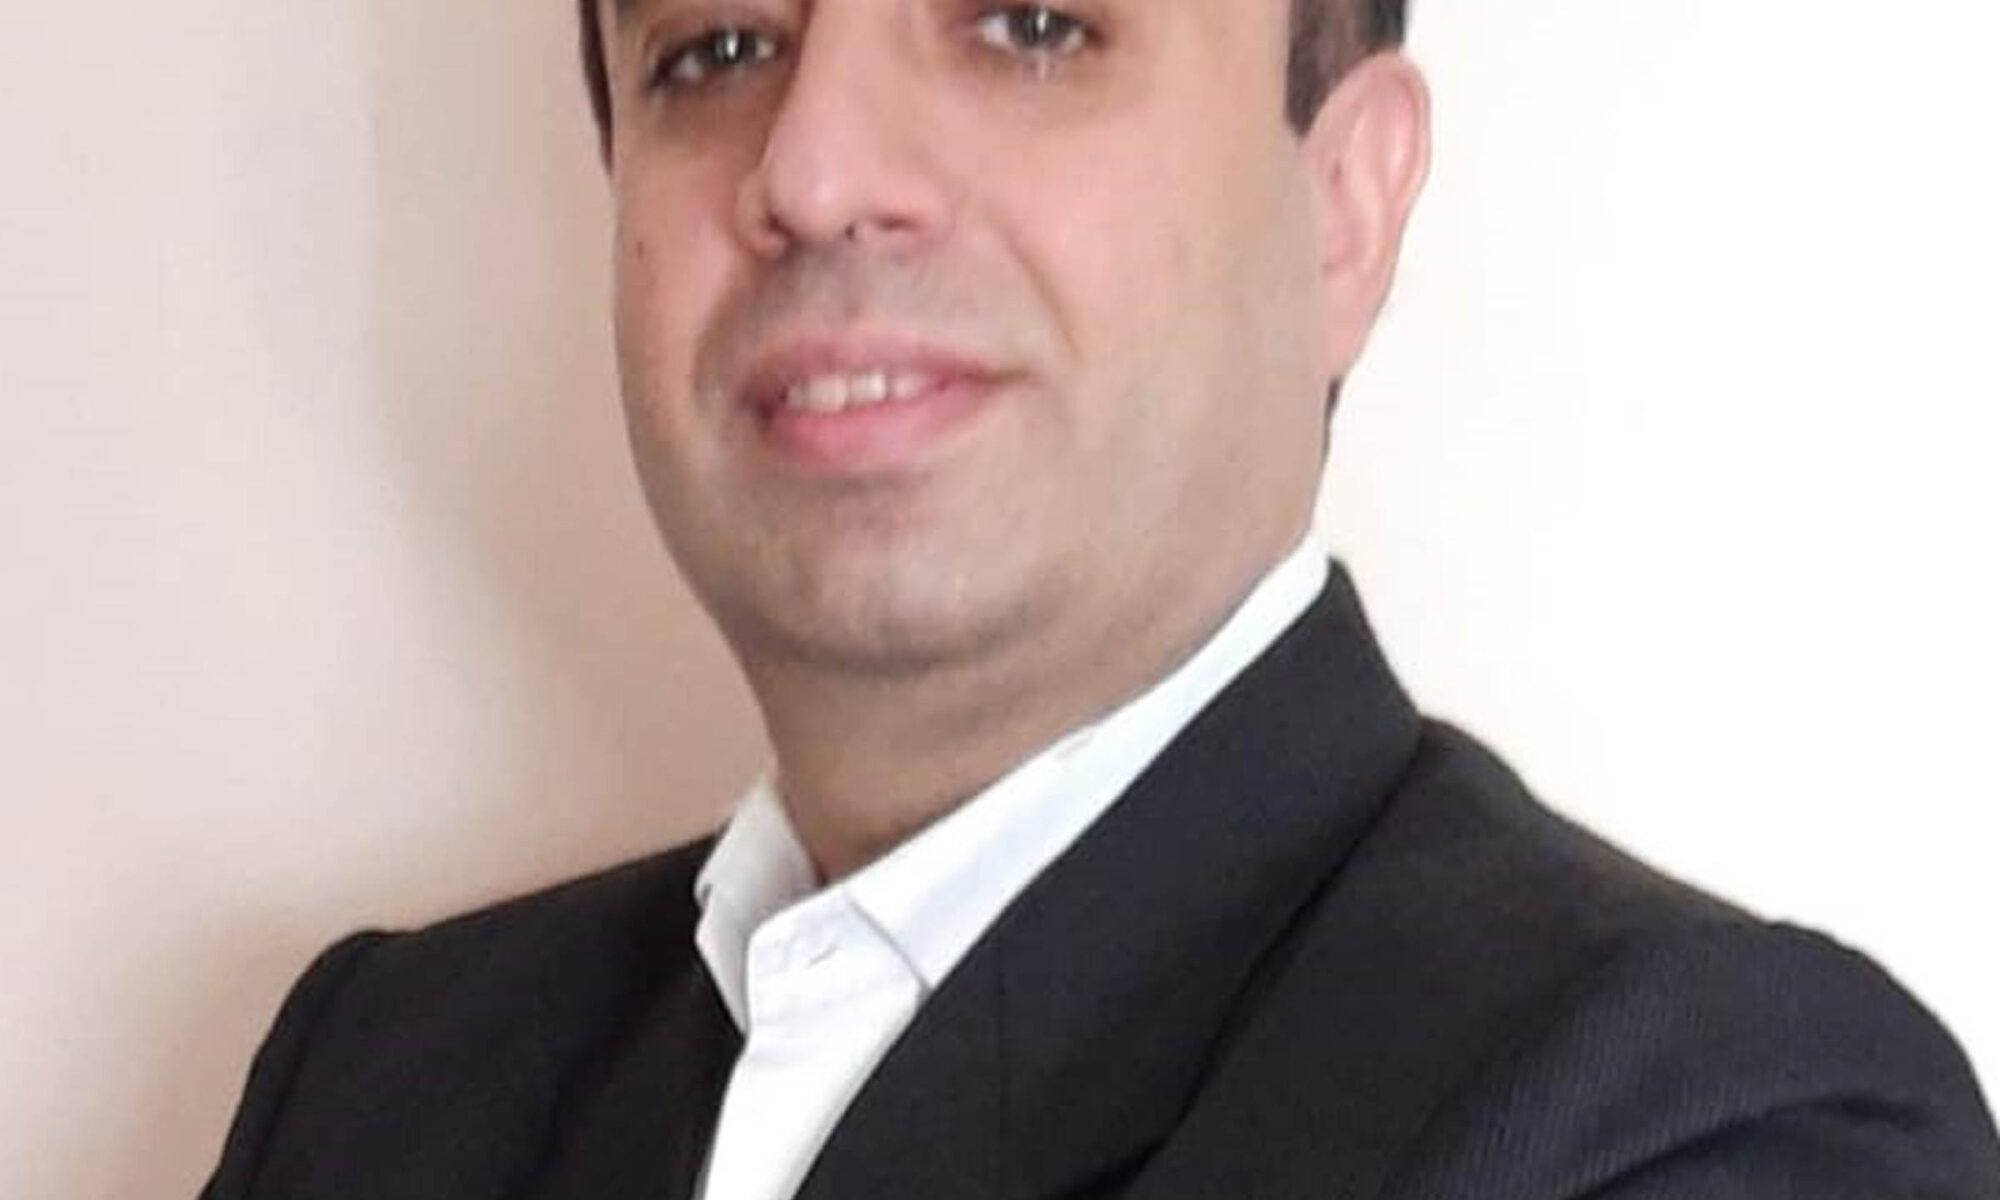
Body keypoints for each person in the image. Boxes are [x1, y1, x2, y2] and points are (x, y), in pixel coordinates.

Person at [201, 1, 2000, 1197]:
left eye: (1030, 25)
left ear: (1344, 205)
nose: (809, 170)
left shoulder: (1700, 1122)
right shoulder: (375, 1085)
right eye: (716, 46)